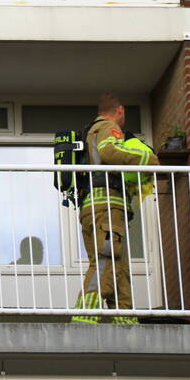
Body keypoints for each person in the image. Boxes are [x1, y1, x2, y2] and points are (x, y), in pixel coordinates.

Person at [72, 94, 157, 325]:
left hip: (93, 207)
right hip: (107, 207)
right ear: (120, 110)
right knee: (106, 261)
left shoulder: (88, 131)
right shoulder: (108, 127)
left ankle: (125, 320)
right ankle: (84, 316)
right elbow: (109, 152)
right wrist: (148, 159)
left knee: (117, 264)